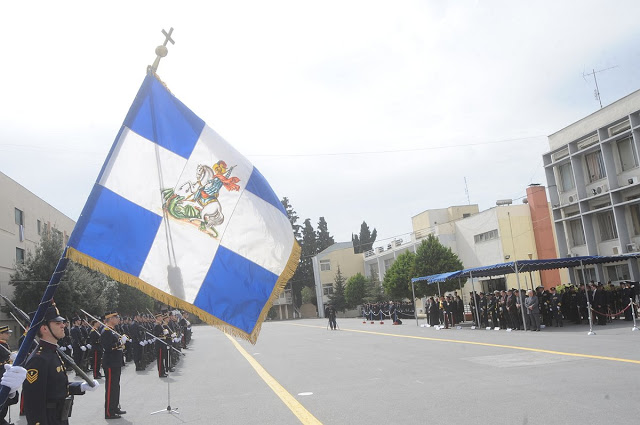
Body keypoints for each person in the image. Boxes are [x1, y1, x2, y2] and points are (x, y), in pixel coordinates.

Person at [2, 305, 99, 425]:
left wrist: (81, 387)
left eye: (62, 322)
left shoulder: (52, 352)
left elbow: (55, 386)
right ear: (44, 328)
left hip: (58, 417)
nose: (63, 325)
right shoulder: (39, 359)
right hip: (48, 419)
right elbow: (34, 403)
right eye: (57, 323)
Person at [100, 312, 126, 419]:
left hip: (116, 361)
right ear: (110, 319)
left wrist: (122, 341)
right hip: (110, 362)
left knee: (116, 386)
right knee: (111, 387)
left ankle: (115, 407)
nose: (118, 318)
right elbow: (107, 347)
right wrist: (120, 343)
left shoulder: (113, 330)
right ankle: (109, 412)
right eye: (116, 317)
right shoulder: (106, 331)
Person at [0, 325, 18, 425]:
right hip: (0, 375)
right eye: (7, 333)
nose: (9, 335)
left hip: (4, 373)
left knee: (8, 399)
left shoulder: (4, 344)